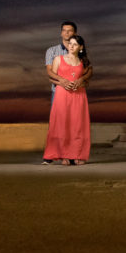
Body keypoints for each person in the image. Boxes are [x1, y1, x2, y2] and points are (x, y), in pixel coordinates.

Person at [43, 35, 92, 165]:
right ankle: (64, 155)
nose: (71, 46)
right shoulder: (58, 59)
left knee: (77, 125)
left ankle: (77, 154)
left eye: (75, 44)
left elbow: (87, 79)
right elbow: (51, 78)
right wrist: (62, 82)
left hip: (78, 95)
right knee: (62, 124)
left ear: (81, 47)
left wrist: (81, 82)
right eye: (70, 43)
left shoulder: (84, 62)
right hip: (62, 94)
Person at [45, 21, 92, 98]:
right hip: (58, 91)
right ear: (61, 33)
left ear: (75, 33)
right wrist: (62, 81)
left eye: (69, 31)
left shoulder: (79, 51)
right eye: (64, 30)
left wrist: (82, 79)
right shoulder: (52, 51)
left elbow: (89, 70)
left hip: (77, 92)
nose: (66, 33)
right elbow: (50, 72)